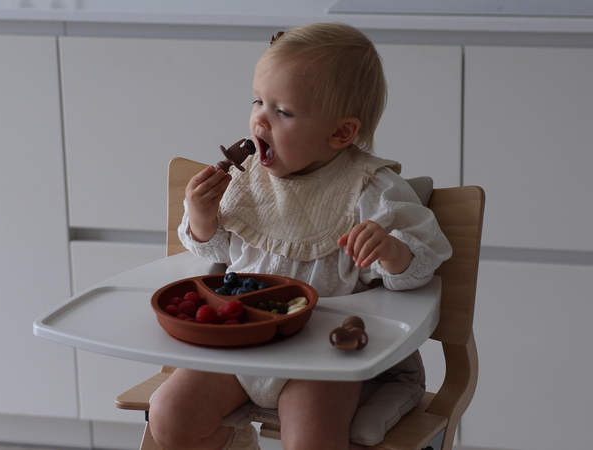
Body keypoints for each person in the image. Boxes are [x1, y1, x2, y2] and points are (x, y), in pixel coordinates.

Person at [149, 22, 452, 450]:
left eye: (283, 112)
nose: (260, 118)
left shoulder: (371, 189)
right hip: (240, 342)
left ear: (341, 133)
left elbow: (426, 262)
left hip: (322, 357)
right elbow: (217, 254)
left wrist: (393, 253)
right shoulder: (246, 180)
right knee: (169, 415)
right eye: (258, 100)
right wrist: (201, 215)